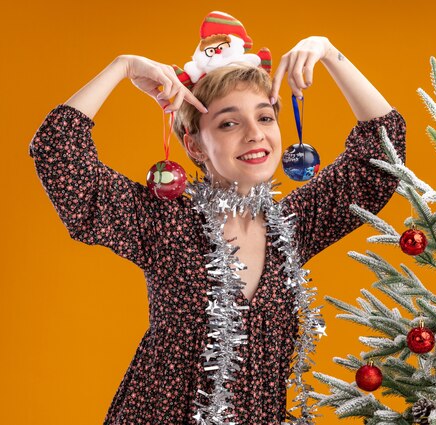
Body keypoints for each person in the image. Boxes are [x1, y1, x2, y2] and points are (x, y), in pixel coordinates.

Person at [30, 34, 406, 424]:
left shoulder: (294, 227)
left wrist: (329, 52)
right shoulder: (165, 222)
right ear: (194, 145)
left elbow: (381, 155)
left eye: (264, 116)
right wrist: (121, 66)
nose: (255, 134)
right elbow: (58, 152)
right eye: (229, 122)